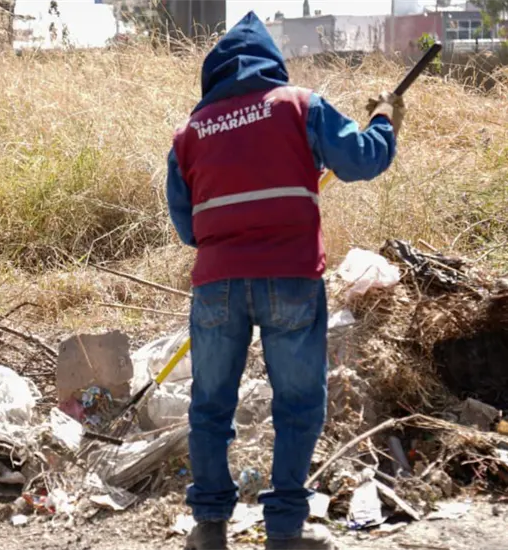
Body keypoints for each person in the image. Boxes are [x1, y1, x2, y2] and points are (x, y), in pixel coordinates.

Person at [166, 11, 405, 550]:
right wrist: (385, 120)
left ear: (215, 73)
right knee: (297, 404)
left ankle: (208, 528)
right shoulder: (299, 105)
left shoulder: (189, 133)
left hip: (217, 285)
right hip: (290, 279)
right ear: (269, 64)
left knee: (210, 405)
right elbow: (362, 160)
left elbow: (188, 227)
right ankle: (285, 531)